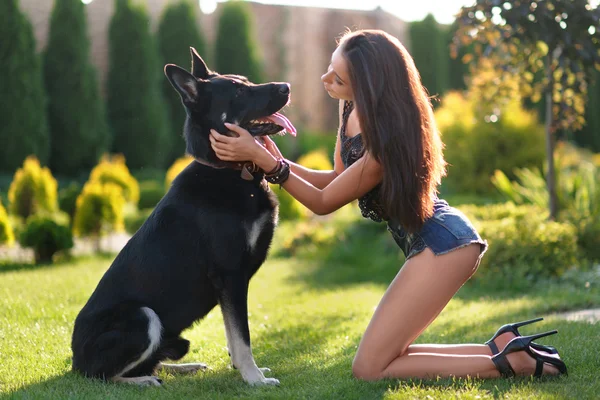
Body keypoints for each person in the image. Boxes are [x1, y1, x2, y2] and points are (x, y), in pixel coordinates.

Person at [208, 29, 567, 380]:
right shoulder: (351, 110)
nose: (325, 77)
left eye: (338, 76)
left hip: (445, 244)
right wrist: (271, 157)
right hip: (433, 242)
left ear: (367, 85)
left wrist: (271, 165)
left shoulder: (386, 140)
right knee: (385, 358)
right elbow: (335, 180)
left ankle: (514, 364)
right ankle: (505, 348)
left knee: (369, 368)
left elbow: (323, 202)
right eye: (330, 67)